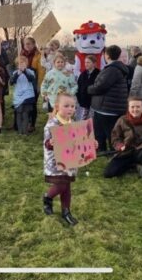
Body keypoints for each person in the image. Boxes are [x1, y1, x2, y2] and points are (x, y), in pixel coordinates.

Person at [42, 92, 98, 226]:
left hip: (70, 161)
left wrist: (91, 143)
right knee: (61, 184)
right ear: (57, 106)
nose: (70, 109)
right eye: (66, 106)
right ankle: (48, 197)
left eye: (73, 106)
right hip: (56, 162)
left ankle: (66, 211)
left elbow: (78, 140)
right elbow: (47, 143)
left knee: (67, 185)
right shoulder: (52, 124)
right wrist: (51, 143)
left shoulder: (72, 123)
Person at [87, 45, 130, 152]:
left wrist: (89, 89)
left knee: (109, 133)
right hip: (110, 107)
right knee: (104, 132)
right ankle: (103, 151)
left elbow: (100, 86)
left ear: (107, 55)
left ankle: (112, 152)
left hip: (107, 109)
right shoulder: (116, 69)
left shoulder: (112, 70)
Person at [104, 97, 142, 178]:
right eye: (132, 107)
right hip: (126, 151)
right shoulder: (122, 120)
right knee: (108, 173)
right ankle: (132, 165)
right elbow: (115, 136)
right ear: (128, 108)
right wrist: (119, 145)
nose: (135, 109)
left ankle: (140, 165)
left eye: (138, 107)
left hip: (141, 152)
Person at [20, 36, 46, 131]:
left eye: (28, 44)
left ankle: (32, 124)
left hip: (34, 82)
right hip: (23, 83)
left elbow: (41, 71)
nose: (26, 46)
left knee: (32, 104)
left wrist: (39, 85)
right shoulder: (21, 54)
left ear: (33, 44)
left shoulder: (38, 55)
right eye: (25, 44)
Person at [11, 55, 38, 135]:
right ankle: (20, 131)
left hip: (27, 96)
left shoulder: (30, 71)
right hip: (18, 96)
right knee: (19, 113)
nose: (21, 64)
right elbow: (12, 82)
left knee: (25, 113)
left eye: (23, 63)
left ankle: (25, 131)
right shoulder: (15, 72)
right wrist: (17, 74)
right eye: (19, 63)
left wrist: (25, 71)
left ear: (26, 63)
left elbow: (31, 79)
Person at [75, 55, 99, 121]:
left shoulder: (99, 74)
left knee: (91, 122)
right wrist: (79, 98)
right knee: (81, 121)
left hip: (93, 104)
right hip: (83, 103)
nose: (86, 64)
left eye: (88, 62)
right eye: (85, 62)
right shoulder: (83, 74)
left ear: (94, 63)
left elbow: (99, 88)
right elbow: (78, 87)